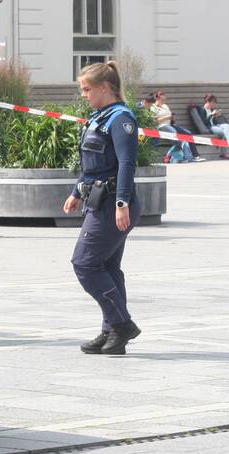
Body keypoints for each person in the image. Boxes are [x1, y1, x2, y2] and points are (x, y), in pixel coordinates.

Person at [63, 62, 142, 355]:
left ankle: (122, 324)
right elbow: (92, 165)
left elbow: (126, 165)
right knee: (107, 267)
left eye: (87, 89)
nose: (84, 95)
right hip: (98, 200)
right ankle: (112, 332)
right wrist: (76, 193)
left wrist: (121, 203)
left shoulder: (121, 120)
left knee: (84, 263)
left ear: (105, 88)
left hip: (113, 204)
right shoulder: (100, 118)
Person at [150, 90, 203, 162]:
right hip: (161, 126)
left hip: (170, 125)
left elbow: (170, 115)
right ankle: (182, 156)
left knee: (188, 133)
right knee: (175, 134)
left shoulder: (165, 106)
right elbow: (155, 121)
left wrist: (172, 118)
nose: (164, 100)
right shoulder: (153, 107)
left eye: (164, 99)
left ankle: (195, 155)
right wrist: (167, 117)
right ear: (158, 98)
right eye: (163, 99)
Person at [204, 93, 229, 160]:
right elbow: (205, 122)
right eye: (213, 102)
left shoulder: (211, 110)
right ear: (208, 101)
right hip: (210, 127)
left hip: (216, 126)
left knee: (226, 125)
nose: (214, 104)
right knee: (225, 132)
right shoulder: (203, 110)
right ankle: (223, 154)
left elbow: (214, 121)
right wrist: (211, 115)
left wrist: (217, 116)